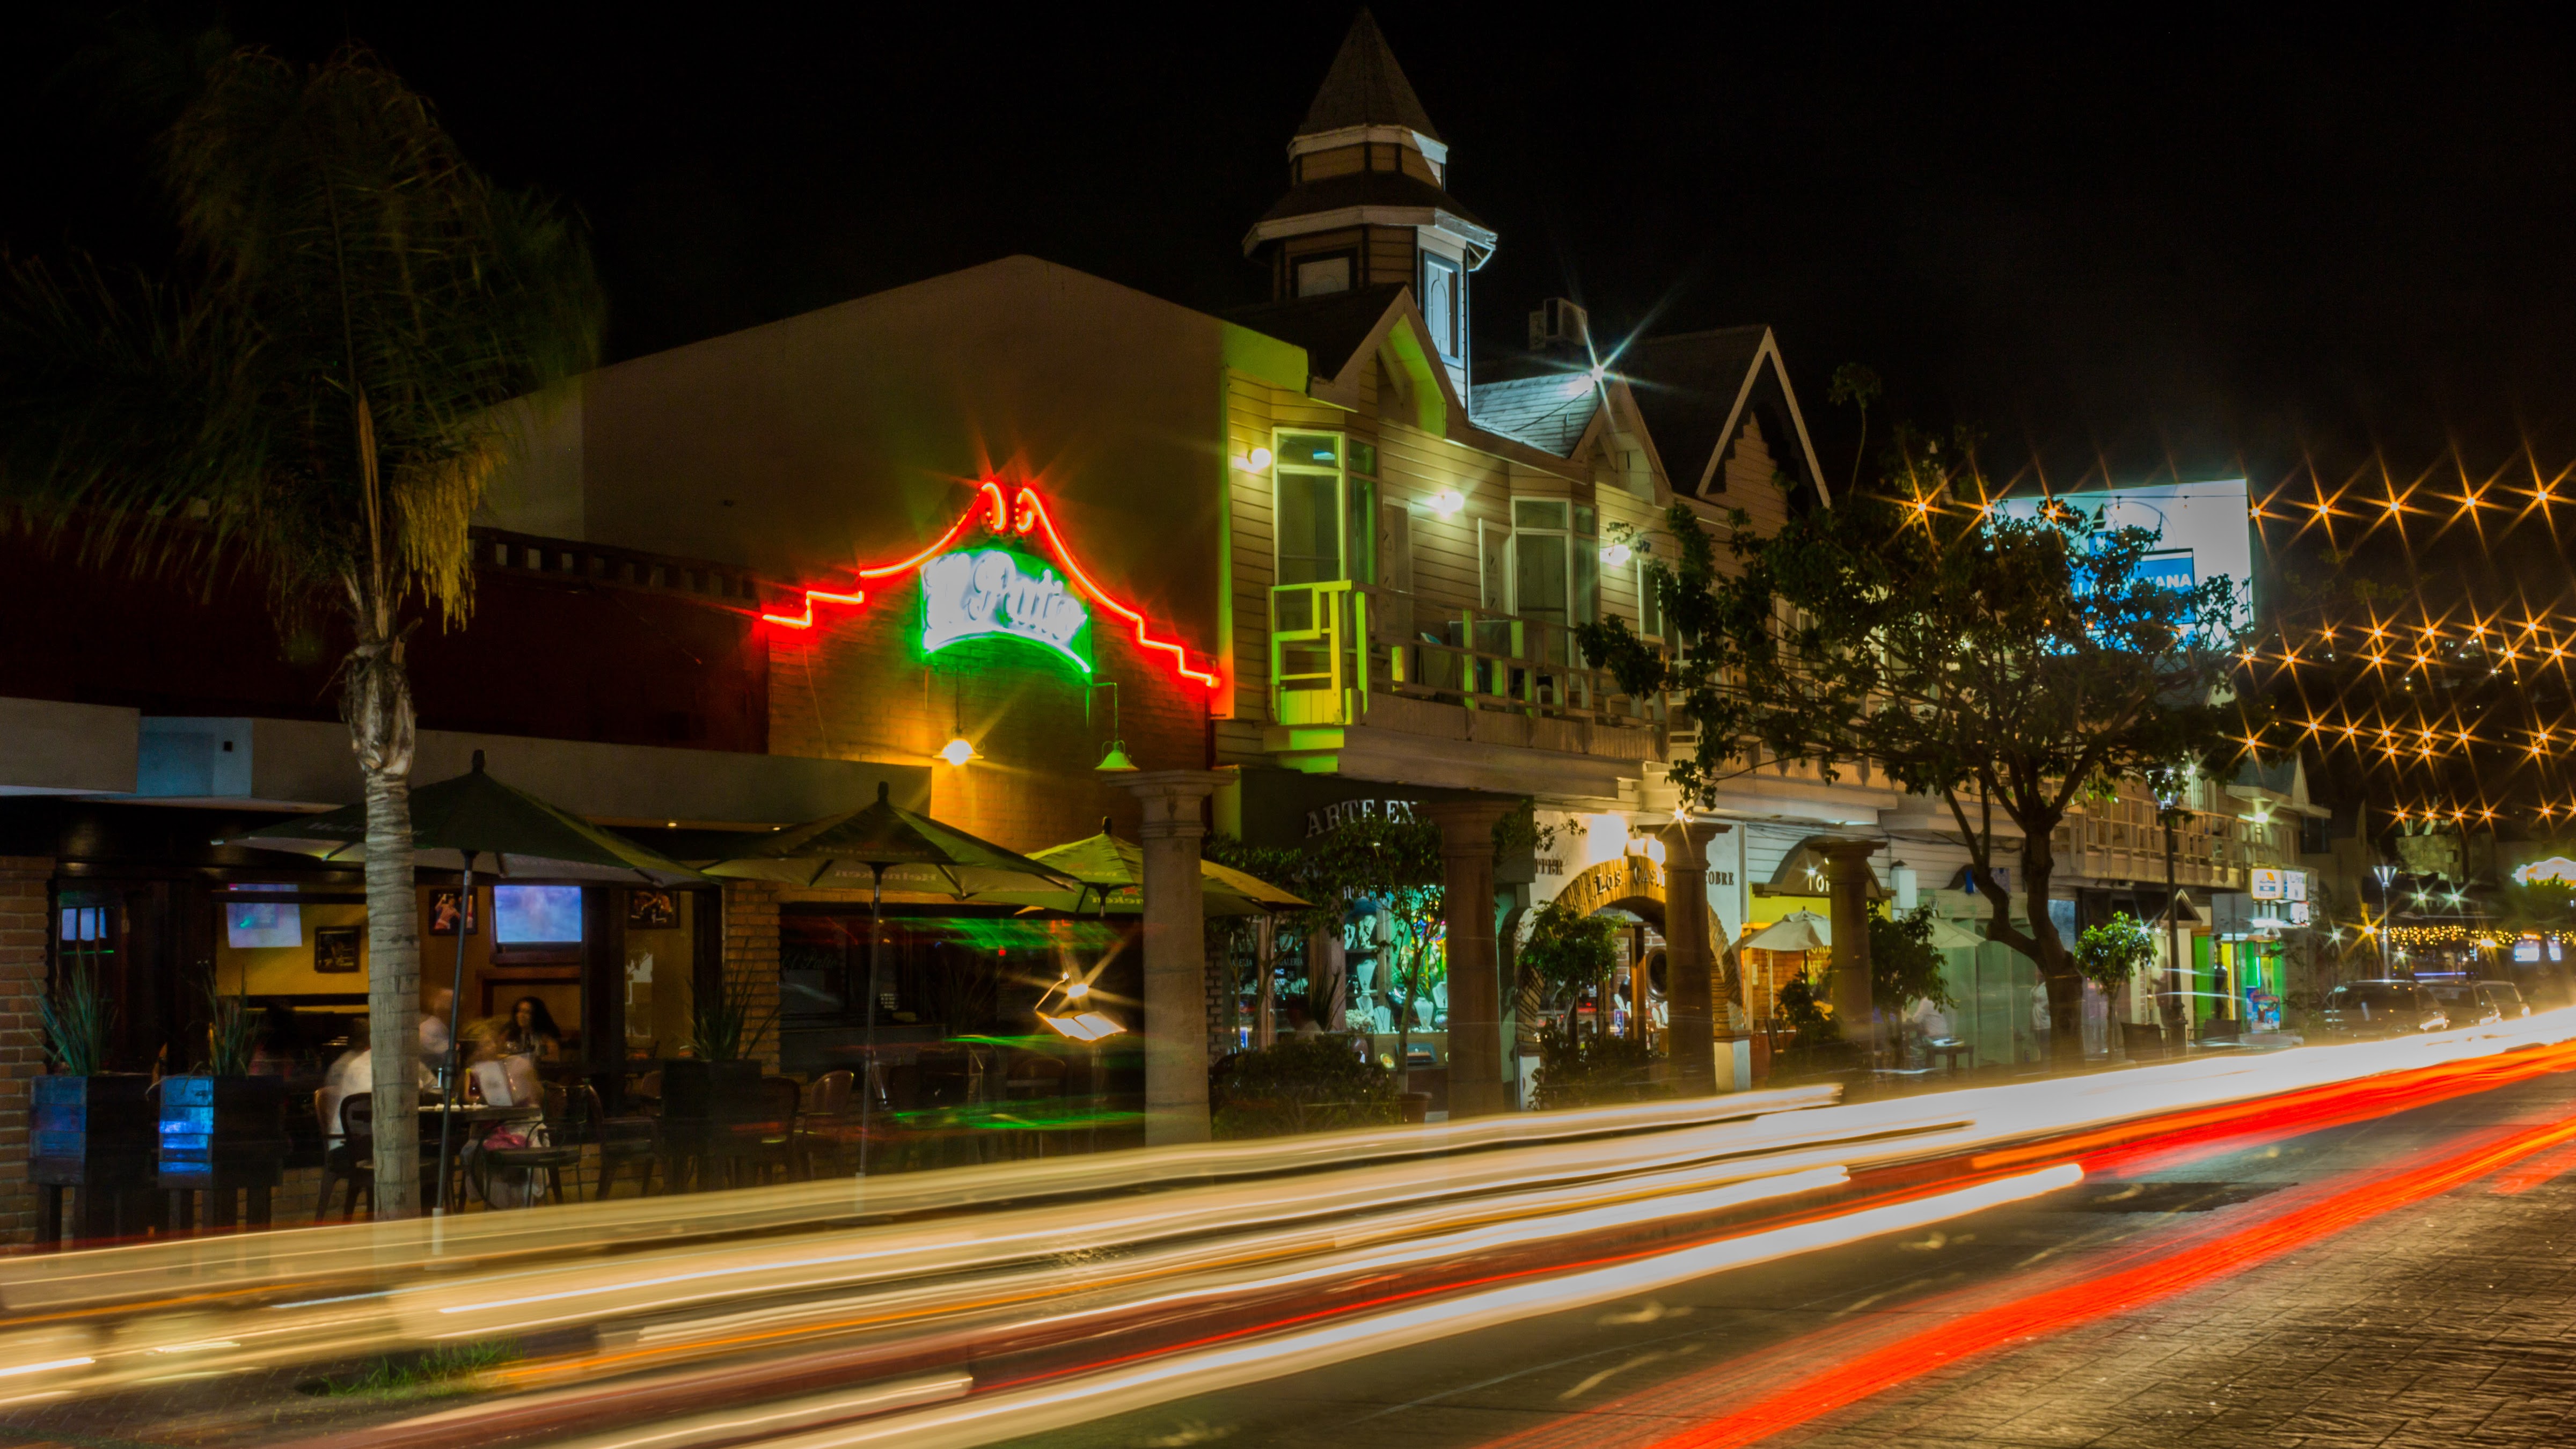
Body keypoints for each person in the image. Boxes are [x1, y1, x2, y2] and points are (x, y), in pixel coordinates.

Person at [500, 996, 564, 1063]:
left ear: (536, 1016)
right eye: (520, 1011)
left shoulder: (545, 1036)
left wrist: (534, 1059)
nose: (522, 1016)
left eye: (527, 1012)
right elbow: (498, 1054)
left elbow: (554, 1058)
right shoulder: (509, 1034)